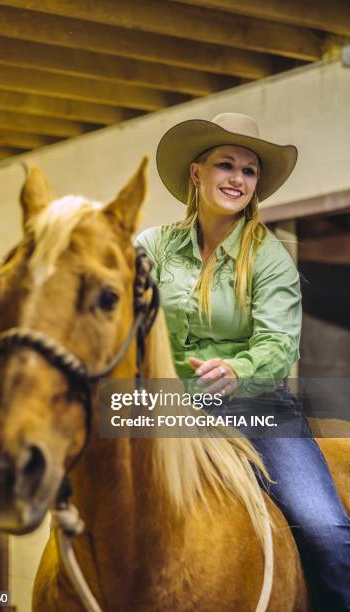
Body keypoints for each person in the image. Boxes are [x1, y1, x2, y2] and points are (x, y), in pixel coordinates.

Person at [136, 113, 350, 611]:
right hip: (166, 405)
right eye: (224, 165)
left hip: (257, 408)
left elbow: (278, 345)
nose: (237, 179)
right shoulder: (153, 248)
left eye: (248, 171)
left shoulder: (270, 256)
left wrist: (239, 369)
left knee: (323, 526)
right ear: (197, 173)